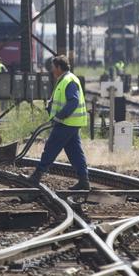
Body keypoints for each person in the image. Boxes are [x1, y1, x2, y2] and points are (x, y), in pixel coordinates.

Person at [27, 55, 90, 190]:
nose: (52, 70)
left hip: (66, 123)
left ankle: (36, 176)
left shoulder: (68, 80)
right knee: (75, 152)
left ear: (59, 67)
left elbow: (73, 101)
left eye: (53, 67)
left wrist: (60, 116)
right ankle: (84, 181)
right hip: (70, 123)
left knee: (51, 147)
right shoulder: (65, 80)